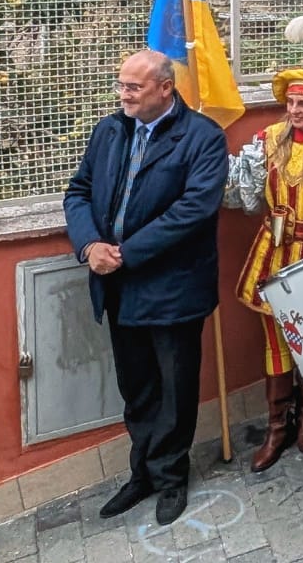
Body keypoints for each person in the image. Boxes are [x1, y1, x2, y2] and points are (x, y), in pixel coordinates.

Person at [64, 49, 228, 527]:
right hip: (117, 287)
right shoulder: (110, 130)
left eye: (133, 87)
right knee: (135, 388)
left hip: (173, 288)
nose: (124, 95)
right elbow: (78, 191)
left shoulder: (202, 138)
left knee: (175, 390)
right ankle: (143, 472)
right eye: (120, 86)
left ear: (164, 88)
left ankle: (172, 477)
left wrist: (125, 253)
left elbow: (194, 211)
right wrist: (90, 245)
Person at [225, 15, 303, 473]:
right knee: (275, 342)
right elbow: (245, 195)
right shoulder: (267, 139)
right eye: (291, 102)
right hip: (271, 254)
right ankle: (278, 425)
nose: (294, 110)